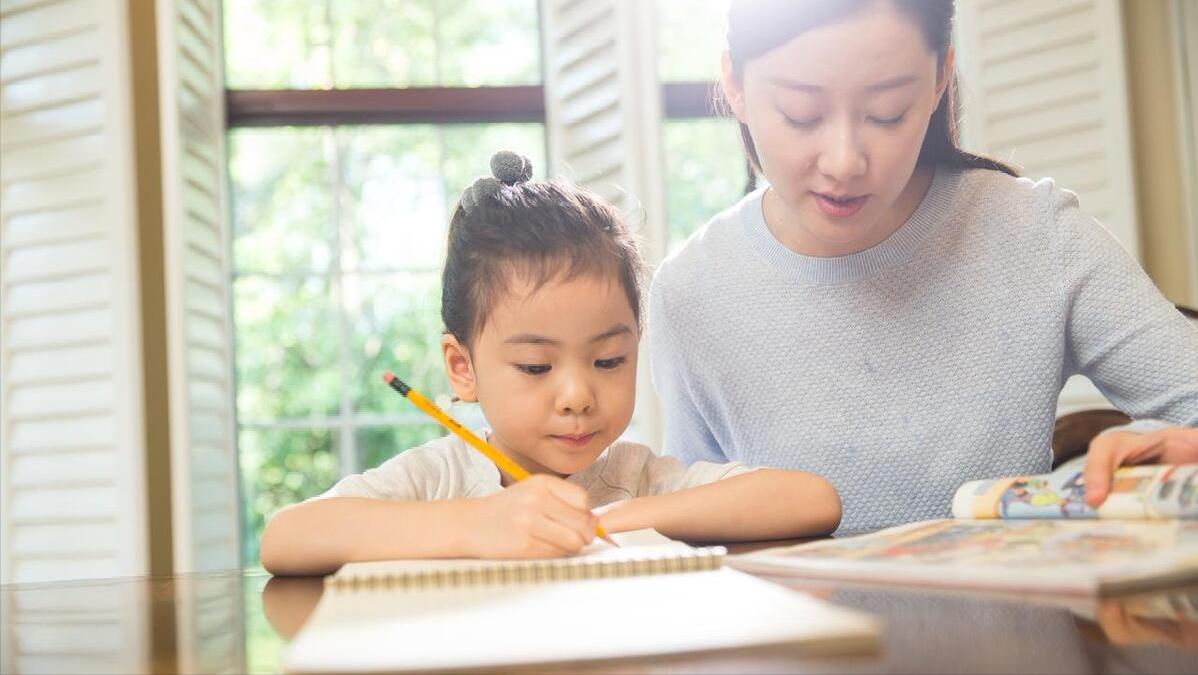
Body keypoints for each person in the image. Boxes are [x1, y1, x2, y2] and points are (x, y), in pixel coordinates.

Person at [649, 0, 1198, 534]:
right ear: (735, 85)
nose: (844, 161)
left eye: (887, 113)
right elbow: (686, 536)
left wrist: (1178, 445)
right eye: (801, 114)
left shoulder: (1035, 234)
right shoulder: (690, 292)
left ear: (941, 80)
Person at [260, 151, 841, 576]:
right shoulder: (438, 479)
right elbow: (287, 538)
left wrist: (614, 520)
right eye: (536, 367)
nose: (577, 395)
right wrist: (480, 525)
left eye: (609, 359)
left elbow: (812, 501)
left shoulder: (630, 478)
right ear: (462, 368)